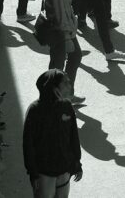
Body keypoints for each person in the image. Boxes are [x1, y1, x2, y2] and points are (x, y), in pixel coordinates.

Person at [23, 69, 83, 198]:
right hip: (44, 172)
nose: (70, 86)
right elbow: (28, 144)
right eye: (65, 83)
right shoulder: (35, 110)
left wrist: (77, 162)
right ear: (54, 88)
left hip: (64, 169)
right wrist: (33, 173)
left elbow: (73, 136)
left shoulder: (67, 106)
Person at [41, 0, 84, 99]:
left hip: (67, 28)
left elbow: (66, 6)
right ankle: (52, 99)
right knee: (57, 68)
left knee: (74, 57)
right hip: (59, 32)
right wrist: (67, 37)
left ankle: (66, 94)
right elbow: (59, 12)